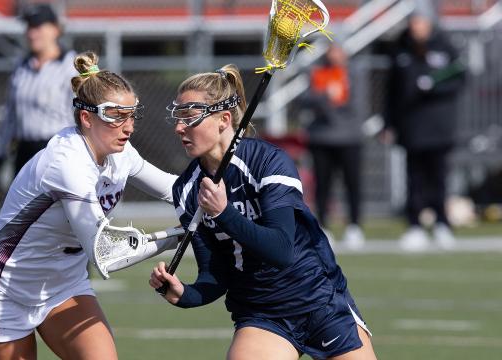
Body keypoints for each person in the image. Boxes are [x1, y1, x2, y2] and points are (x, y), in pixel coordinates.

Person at [0, 51, 178, 359]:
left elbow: (175, 189)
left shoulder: (121, 154)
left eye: (132, 115)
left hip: (63, 284)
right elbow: (105, 251)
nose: (128, 127)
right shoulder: (66, 163)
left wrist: (222, 196)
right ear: (86, 118)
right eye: (116, 115)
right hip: (4, 287)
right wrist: (177, 237)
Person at [149, 65, 377, 359]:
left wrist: (223, 213)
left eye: (190, 117)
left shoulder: (269, 162)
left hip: (319, 301)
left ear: (224, 120)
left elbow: (281, 250)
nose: (179, 127)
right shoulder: (187, 190)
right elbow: (217, 272)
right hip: (262, 314)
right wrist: (186, 295)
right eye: (178, 117)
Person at [383, 9, 465, 251]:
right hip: (411, 126)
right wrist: (389, 123)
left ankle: (442, 224)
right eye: (413, 22)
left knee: (438, 178)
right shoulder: (401, 50)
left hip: (439, 126)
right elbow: (391, 94)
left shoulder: (444, 48)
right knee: (414, 179)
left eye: (419, 22)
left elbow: (459, 79)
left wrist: (434, 88)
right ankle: (415, 226)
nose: (415, 27)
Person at [0, 4, 78, 188]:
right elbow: (10, 117)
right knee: (22, 215)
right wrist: (0, 157)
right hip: (24, 153)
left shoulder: (71, 66)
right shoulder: (21, 67)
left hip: (58, 153)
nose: (31, 33)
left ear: (55, 29)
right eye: (29, 27)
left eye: (37, 27)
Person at [300, 42, 365, 249]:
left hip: (349, 137)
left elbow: (358, 104)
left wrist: (329, 109)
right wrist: (325, 98)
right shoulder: (317, 71)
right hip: (322, 138)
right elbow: (306, 99)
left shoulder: (354, 72)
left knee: (352, 183)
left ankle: (354, 226)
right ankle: (323, 225)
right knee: (323, 184)